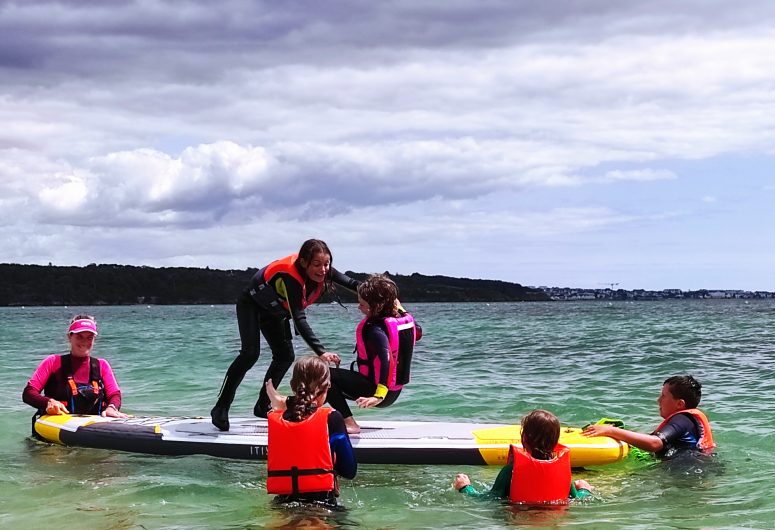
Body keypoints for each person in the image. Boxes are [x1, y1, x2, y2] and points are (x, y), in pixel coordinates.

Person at [211, 239, 360, 431]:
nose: (323, 270)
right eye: (317, 264)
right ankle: (221, 407)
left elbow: (355, 284)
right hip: (252, 305)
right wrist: (321, 352)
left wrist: (386, 295)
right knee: (250, 354)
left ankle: (262, 405)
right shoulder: (290, 277)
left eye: (326, 264)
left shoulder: (326, 271)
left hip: (275, 313)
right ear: (304, 262)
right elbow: (299, 318)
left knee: (285, 356)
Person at [325, 274, 421, 434]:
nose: (358, 307)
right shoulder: (402, 318)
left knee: (323, 375)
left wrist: (379, 395)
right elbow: (417, 332)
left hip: (378, 391)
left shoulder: (374, 329)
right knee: (319, 384)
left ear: (376, 306)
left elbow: (386, 359)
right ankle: (295, 406)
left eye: (362, 304)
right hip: (394, 392)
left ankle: (350, 423)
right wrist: (401, 308)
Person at [264, 355, 357, 508]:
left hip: (281, 506)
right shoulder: (332, 418)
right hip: (322, 506)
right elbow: (349, 470)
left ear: (293, 386)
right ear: (326, 387)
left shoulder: (276, 419)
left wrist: (284, 402)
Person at [453, 410, 592, 504]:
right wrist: (585, 490)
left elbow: (488, 499)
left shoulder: (511, 471)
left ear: (524, 438)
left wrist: (465, 488)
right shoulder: (561, 471)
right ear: (556, 443)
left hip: (518, 519)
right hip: (553, 519)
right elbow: (576, 499)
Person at [582, 375, 715, 459]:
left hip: (683, 474)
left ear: (679, 404)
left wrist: (611, 431)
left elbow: (655, 443)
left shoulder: (682, 420)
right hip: (695, 469)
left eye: (663, 396)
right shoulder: (688, 421)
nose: (658, 400)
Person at [22, 315, 128, 419]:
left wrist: (112, 407)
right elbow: (28, 393)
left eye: (89, 337)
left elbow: (114, 394)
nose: (84, 342)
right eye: (79, 336)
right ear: (69, 337)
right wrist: (48, 402)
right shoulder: (53, 362)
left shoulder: (102, 365)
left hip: (93, 429)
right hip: (56, 429)